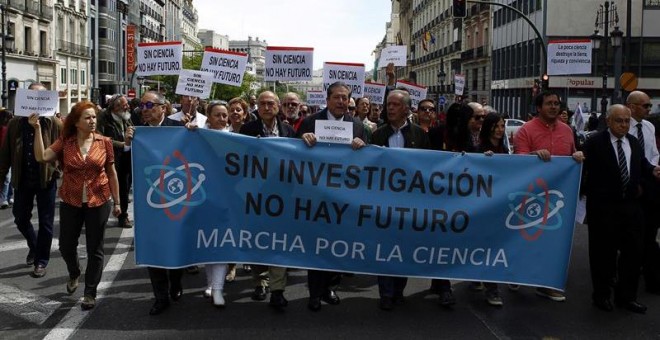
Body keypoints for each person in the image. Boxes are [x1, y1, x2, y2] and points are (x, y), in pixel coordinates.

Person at [30, 101, 121, 310]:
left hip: (99, 200)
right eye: (87, 118)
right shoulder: (66, 142)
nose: (92, 121)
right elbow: (41, 157)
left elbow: (111, 172)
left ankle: (90, 292)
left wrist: (117, 202)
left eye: (94, 117)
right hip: (71, 200)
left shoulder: (104, 142)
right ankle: (74, 271)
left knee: (95, 248)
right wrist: (36, 129)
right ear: (77, 122)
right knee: (66, 245)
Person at [583, 104, 660, 314]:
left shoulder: (633, 142)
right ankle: (601, 296)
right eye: (619, 120)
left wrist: (653, 170)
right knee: (602, 255)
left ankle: (627, 297)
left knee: (633, 254)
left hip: (631, 207)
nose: (624, 125)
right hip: (604, 209)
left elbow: (642, 164)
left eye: (627, 121)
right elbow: (581, 168)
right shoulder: (594, 143)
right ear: (608, 121)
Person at [297, 81, 366, 311]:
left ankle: (329, 287)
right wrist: (303, 140)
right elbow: (292, 153)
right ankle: (315, 293)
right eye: (336, 97)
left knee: (338, 244)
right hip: (316, 195)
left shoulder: (356, 125)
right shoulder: (310, 122)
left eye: (345, 98)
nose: (341, 102)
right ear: (327, 100)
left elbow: (369, 160)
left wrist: (362, 144)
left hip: (343, 196)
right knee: (317, 245)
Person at [513, 91, 584, 302]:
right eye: (549, 103)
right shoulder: (525, 130)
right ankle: (517, 273)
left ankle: (545, 284)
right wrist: (533, 156)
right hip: (532, 197)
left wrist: (577, 157)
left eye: (557, 103)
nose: (554, 107)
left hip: (559, 199)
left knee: (553, 243)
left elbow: (572, 157)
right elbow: (517, 162)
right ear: (538, 107)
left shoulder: (567, 130)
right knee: (526, 240)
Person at [127, 91, 190, 316]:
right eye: (142, 105)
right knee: (153, 247)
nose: (144, 109)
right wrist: (128, 143)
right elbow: (125, 162)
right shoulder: (136, 130)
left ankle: (176, 280)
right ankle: (160, 297)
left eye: (150, 104)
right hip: (149, 202)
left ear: (163, 108)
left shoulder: (178, 127)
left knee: (174, 244)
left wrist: (192, 133)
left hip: (177, 197)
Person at [371, 90, 429, 311]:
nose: (390, 108)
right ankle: (385, 293)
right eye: (388, 104)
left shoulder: (420, 135)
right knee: (385, 249)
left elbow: (430, 169)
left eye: (395, 104)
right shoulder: (377, 135)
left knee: (403, 249)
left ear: (406, 109)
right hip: (384, 204)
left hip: (410, 204)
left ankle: (399, 290)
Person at [239, 91, 296, 310]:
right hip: (254, 196)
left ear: (278, 106)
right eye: (261, 103)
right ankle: (260, 281)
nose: (265, 107)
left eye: (270, 103)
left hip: (281, 197)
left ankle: (277, 290)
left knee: (278, 242)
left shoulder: (289, 131)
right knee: (258, 241)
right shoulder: (247, 130)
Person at [0, 82, 62, 278]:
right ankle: (34, 245)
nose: (35, 102)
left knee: (46, 222)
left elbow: (64, 150)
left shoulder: (54, 123)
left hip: (46, 179)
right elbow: (5, 154)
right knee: (20, 218)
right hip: (23, 178)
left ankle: (41, 261)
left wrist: (59, 170)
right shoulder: (15, 123)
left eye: (40, 98)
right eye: (32, 97)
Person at [625, 91, 660, 295]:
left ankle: (651, 277)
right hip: (629, 185)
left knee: (649, 232)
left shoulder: (648, 127)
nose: (649, 109)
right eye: (645, 105)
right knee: (630, 233)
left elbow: (652, 154)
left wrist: (654, 170)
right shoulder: (620, 125)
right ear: (632, 106)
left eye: (649, 105)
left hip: (649, 185)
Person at [476, 113, 507, 306]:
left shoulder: (504, 149)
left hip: (499, 205)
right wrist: (481, 160)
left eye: (502, 125)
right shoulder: (479, 149)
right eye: (496, 126)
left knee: (494, 248)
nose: (500, 129)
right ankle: (490, 287)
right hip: (482, 207)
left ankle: (492, 287)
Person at [97, 94, 134, 228]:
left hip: (125, 157)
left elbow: (132, 131)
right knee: (104, 187)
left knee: (123, 187)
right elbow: (100, 137)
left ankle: (122, 216)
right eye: (124, 105)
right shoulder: (103, 117)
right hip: (108, 158)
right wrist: (122, 144)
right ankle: (98, 215)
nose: (127, 107)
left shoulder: (126, 116)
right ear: (116, 107)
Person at [0, 107, 13, 208]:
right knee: (8, 177)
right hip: (5, 154)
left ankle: (5, 198)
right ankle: (7, 197)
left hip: (8, 155)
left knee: (8, 177)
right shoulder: (5, 128)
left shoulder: (9, 128)